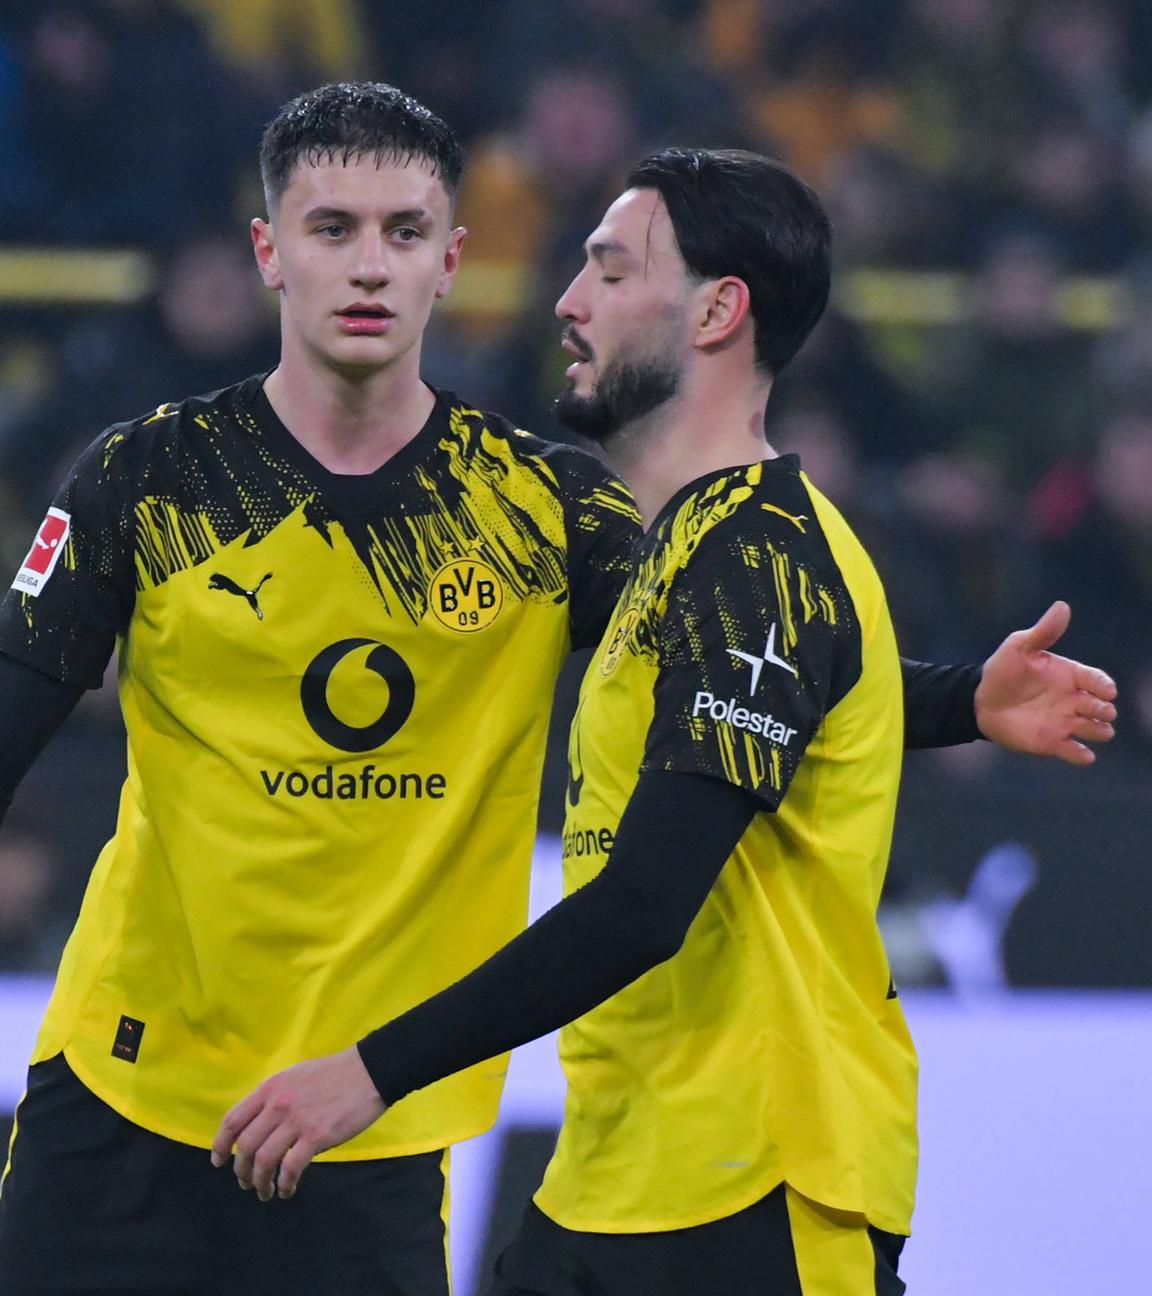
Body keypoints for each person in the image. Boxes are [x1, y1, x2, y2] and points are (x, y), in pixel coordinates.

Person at [0, 83, 1112, 1296]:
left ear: (451, 262)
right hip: (121, 1088)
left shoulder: (543, 510)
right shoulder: (148, 477)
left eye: (404, 232)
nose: (369, 266)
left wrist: (955, 700)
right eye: (332, 229)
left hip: (376, 1126)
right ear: (270, 251)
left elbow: (745, 662)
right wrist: (964, 698)